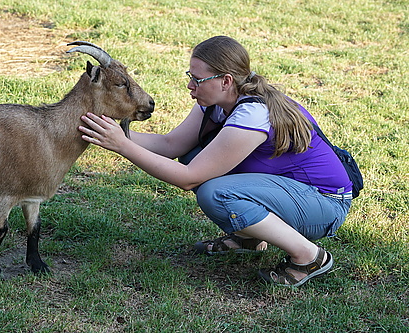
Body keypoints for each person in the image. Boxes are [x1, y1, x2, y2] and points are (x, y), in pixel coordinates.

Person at [78, 35, 352, 287]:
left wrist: (122, 145)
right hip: (288, 192)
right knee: (192, 154)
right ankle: (249, 238)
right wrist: (108, 132)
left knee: (214, 192)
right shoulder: (217, 102)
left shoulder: (252, 115)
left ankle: (309, 256)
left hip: (324, 204)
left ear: (226, 81)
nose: (190, 84)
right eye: (190, 76)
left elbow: (189, 178)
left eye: (197, 79)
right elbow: (171, 145)